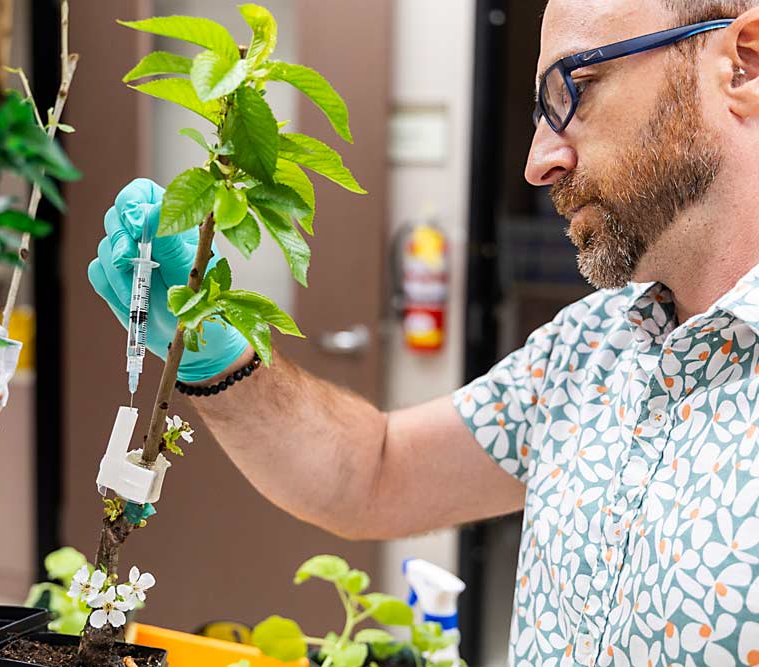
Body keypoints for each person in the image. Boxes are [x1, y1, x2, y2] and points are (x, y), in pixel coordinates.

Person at [89, 0, 759, 664]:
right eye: (540, 110)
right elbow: (377, 471)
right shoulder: (591, 347)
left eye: (574, 89)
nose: (538, 161)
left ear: (742, 62)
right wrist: (216, 352)